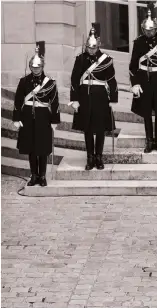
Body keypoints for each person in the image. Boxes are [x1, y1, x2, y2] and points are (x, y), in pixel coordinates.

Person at [70, 23, 118, 170]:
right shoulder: (80, 59)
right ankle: (90, 157)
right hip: (85, 96)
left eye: (94, 47)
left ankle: (99, 157)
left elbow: (111, 80)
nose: (91, 50)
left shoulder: (106, 59)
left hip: (101, 96)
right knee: (88, 129)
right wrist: (74, 99)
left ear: (98, 45)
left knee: (100, 128)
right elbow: (74, 79)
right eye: (89, 48)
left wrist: (113, 99)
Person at [12, 41, 61, 187]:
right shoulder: (24, 82)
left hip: (43, 117)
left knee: (43, 148)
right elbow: (18, 100)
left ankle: (43, 176)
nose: (35, 69)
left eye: (38, 67)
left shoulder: (50, 83)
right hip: (27, 117)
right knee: (31, 148)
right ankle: (34, 175)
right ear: (30, 67)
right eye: (33, 67)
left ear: (42, 66)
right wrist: (16, 118)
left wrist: (54, 120)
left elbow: (54, 102)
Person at [130, 2, 157, 153]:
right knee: (146, 111)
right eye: (146, 30)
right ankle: (149, 140)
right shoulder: (138, 42)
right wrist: (135, 83)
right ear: (143, 30)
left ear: (156, 29)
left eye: (152, 30)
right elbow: (132, 66)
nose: (149, 33)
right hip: (144, 79)